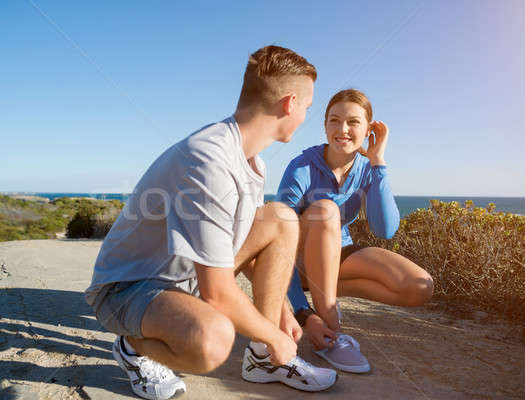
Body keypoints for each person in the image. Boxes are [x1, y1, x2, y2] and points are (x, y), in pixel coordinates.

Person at [85, 45, 338, 400]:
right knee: (212, 341)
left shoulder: (253, 163)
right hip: (128, 289)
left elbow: (250, 250)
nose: (305, 116)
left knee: (280, 218)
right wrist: (274, 335)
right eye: (308, 108)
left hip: (185, 280)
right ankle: (132, 348)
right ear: (289, 103)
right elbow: (217, 294)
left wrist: (282, 314)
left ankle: (264, 362)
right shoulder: (208, 158)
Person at [277, 88, 434, 374]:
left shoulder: (367, 167)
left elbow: (384, 229)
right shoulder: (301, 167)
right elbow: (277, 241)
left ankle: (325, 290)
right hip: (295, 259)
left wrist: (378, 162)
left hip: (338, 253)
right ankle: (332, 333)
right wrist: (303, 311)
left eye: (353, 122)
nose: (343, 130)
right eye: (334, 121)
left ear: (369, 128)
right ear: (325, 125)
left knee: (418, 287)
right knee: (325, 212)